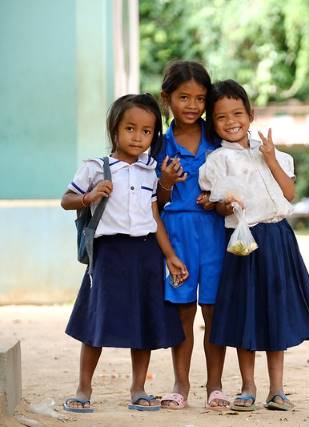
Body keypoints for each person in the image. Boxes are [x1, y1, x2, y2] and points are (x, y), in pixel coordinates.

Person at [199, 79, 309, 412]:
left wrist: (270, 158)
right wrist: (224, 205)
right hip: (243, 243)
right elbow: (216, 205)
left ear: (251, 114)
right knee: (247, 313)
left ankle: (278, 389)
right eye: (221, 117)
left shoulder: (279, 156)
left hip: (277, 239)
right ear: (212, 124)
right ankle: (247, 387)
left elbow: (289, 194)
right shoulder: (217, 161)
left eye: (237, 113)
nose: (231, 122)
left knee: (276, 311)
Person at [61, 93, 188, 413]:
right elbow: (66, 199)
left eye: (147, 131)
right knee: (96, 322)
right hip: (109, 253)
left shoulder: (151, 170)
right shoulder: (96, 167)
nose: (138, 137)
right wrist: (89, 196)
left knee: (142, 322)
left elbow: (155, 217)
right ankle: (83, 388)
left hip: (145, 253)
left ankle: (139, 388)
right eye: (130, 128)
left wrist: (170, 255)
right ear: (114, 129)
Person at [155, 61, 229, 410]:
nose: (192, 105)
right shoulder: (159, 143)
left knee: (213, 310)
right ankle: (180, 384)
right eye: (183, 97)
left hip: (215, 233)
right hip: (177, 234)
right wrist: (167, 183)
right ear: (166, 98)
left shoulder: (217, 137)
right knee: (183, 310)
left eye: (200, 98)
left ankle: (215, 385)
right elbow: (155, 201)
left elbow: (234, 181)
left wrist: (216, 198)